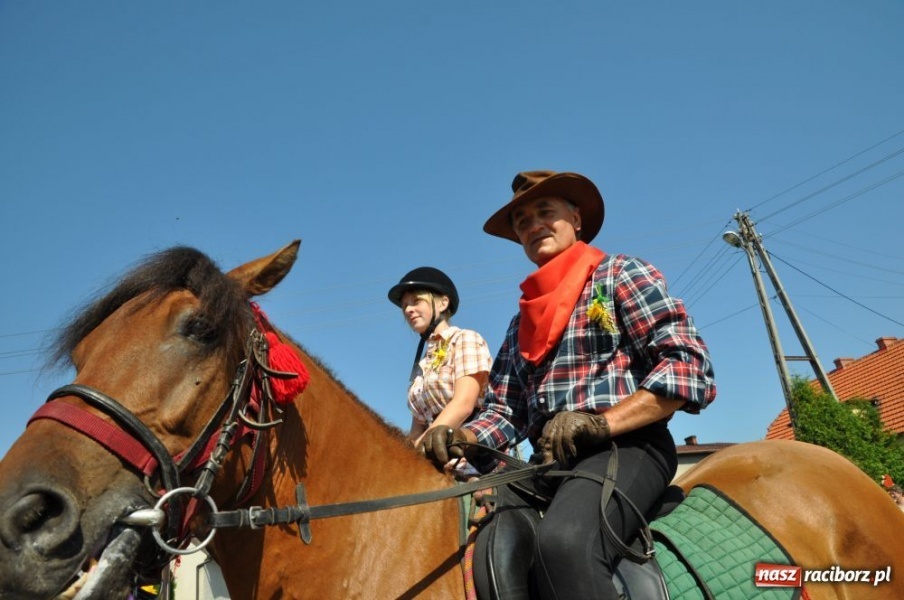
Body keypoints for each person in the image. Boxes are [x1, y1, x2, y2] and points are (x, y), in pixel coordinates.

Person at [420, 170, 717, 599]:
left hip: (628, 447)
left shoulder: (620, 274)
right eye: (522, 221)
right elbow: (506, 411)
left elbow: (687, 365)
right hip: (548, 463)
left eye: (545, 212)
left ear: (576, 218)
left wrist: (601, 423)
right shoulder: (519, 322)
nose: (533, 224)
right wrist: (462, 437)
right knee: (483, 531)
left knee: (564, 544)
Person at [388, 267, 493, 463]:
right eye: (404, 306)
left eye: (416, 301)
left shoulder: (465, 339)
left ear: (443, 303)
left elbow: (464, 405)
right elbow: (417, 428)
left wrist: (417, 453)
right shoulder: (422, 366)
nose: (408, 309)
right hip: (434, 459)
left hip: (470, 458)